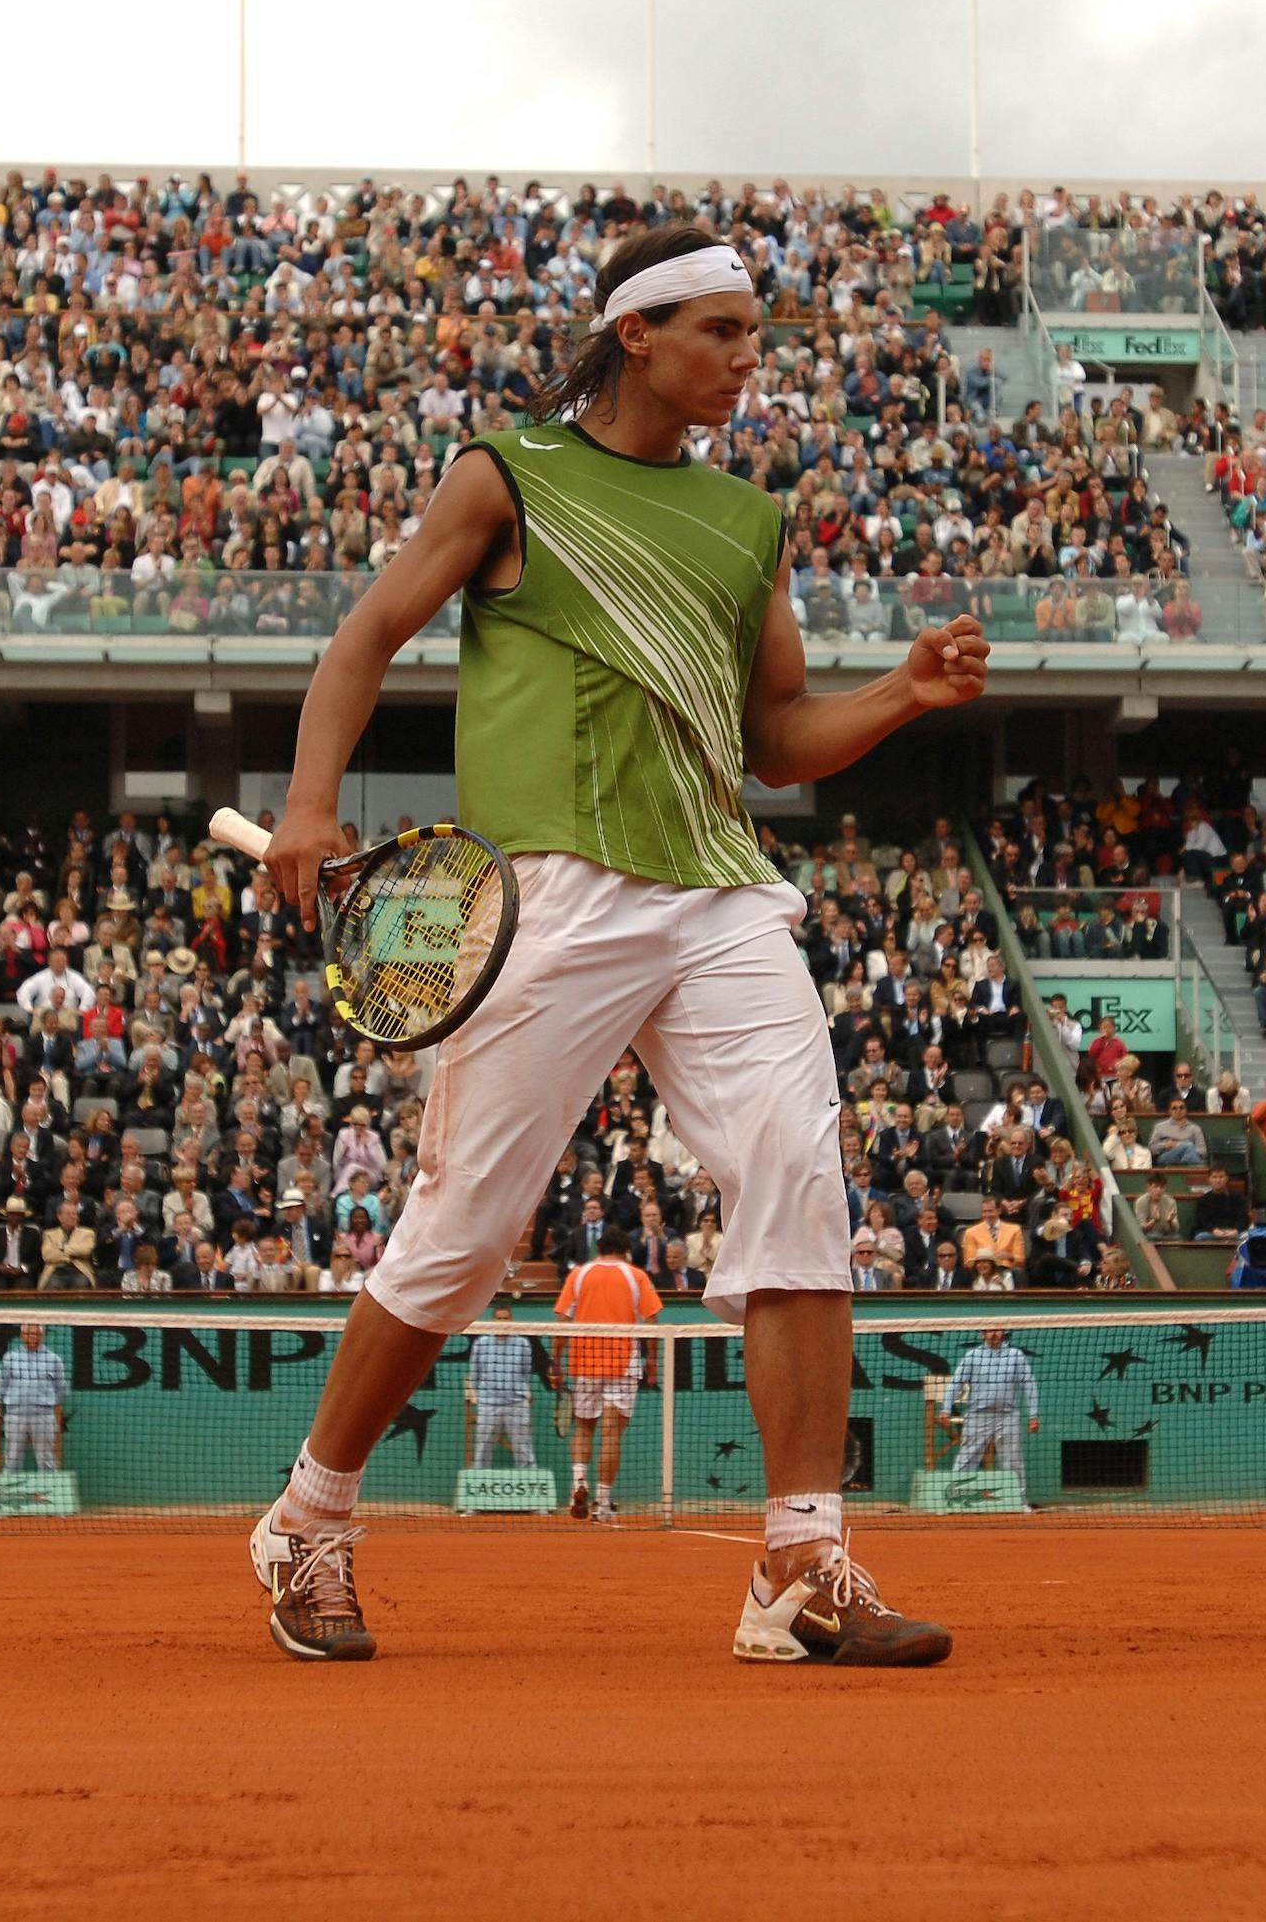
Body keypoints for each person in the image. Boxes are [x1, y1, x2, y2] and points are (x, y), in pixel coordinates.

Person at [246, 224, 980, 1667]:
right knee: (462, 1237)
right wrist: (310, 806)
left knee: (797, 1172)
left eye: (757, 334)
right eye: (722, 331)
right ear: (636, 334)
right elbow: (367, 636)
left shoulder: (748, 523)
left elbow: (776, 742)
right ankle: (309, 1518)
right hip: (547, 900)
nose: (748, 359)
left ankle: (801, 1563)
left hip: (715, 888)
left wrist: (898, 692)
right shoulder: (506, 473)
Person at [553, 1229, 664, 1525]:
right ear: (625, 1250)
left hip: (585, 1363)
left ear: (598, 1250)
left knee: (584, 1429)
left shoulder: (579, 1274)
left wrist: (556, 1360)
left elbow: (562, 1320)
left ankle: (579, 1482)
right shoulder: (635, 1275)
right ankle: (602, 1504)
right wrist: (652, 1360)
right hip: (623, 1364)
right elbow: (653, 1320)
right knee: (612, 1434)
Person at [943, 1328, 1039, 1490]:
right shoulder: (972, 1356)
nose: (993, 1334)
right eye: (989, 1331)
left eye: (997, 1330)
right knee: (967, 1457)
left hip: (1008, 1416)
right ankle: (955, 1496)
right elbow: (956, 1384)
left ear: (1004, 1333)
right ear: (983, 1334)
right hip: (977, 1415)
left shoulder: (1016, 1355)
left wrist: (1033, 1416)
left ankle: (1019, 1501)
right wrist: (945, 1410)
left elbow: (1029, 1385)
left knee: (1013, 1459)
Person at [462, 1299, 547, 1473]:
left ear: (511, 1320)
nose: (503, 1322)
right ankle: (480, 1482)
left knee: (523, 1447)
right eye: (499, 1318)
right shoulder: (481, 1344)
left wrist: (520, 1394)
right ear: (494, 1320)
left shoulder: (522, 1344)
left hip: (516, 1405)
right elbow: (475, 1374)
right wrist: (484, 1397)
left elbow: (525, 1373)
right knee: (483, 1448)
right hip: (488, 1405)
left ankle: (529, 1484)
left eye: (506, 1318)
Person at [0, 1323, 71, 1474]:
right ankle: (9, 1494)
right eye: (28, 1334)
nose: (32, 1337)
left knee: (46, 1459)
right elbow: (1, 1384)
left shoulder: (54, 1360)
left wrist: (53, 1406)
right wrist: (0, 1404)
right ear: (22, 1336)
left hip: (44, 1416)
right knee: (12, 1458)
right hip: (15, 1416)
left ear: (42, 1336)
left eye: (36, 1334)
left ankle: (48, 1495)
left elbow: (61, 1388)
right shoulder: (10, 1358)